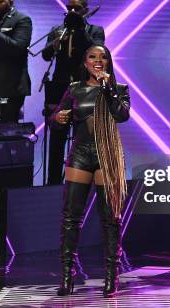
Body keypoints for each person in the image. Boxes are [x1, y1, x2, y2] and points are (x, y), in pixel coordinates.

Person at [51, 45, 130, 297]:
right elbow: (56, 117)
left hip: (107, 156)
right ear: (85, 62)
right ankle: (67, 275)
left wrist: (107, 87)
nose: (98, 60)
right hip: (81, 154)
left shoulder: (118, 90)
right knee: (71, 217)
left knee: (110, 218)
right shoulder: (75, 88)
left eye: (103, 57)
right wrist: (59, 118)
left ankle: (111, 277)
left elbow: (121, 115)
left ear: (108, 63)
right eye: (92, 57)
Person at [42, 0, 105, 185]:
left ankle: (80, 182)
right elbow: (45, 55)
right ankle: (52, 182)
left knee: (81, 138)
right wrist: (55, 44)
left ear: (85, 10)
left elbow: (95, 53)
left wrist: (79, 29)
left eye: (76, 9)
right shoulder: (58, 30)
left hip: (84, 89)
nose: (71, 11)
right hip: (60, 87)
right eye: (68, 7)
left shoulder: (94, 30)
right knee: (57, 137)